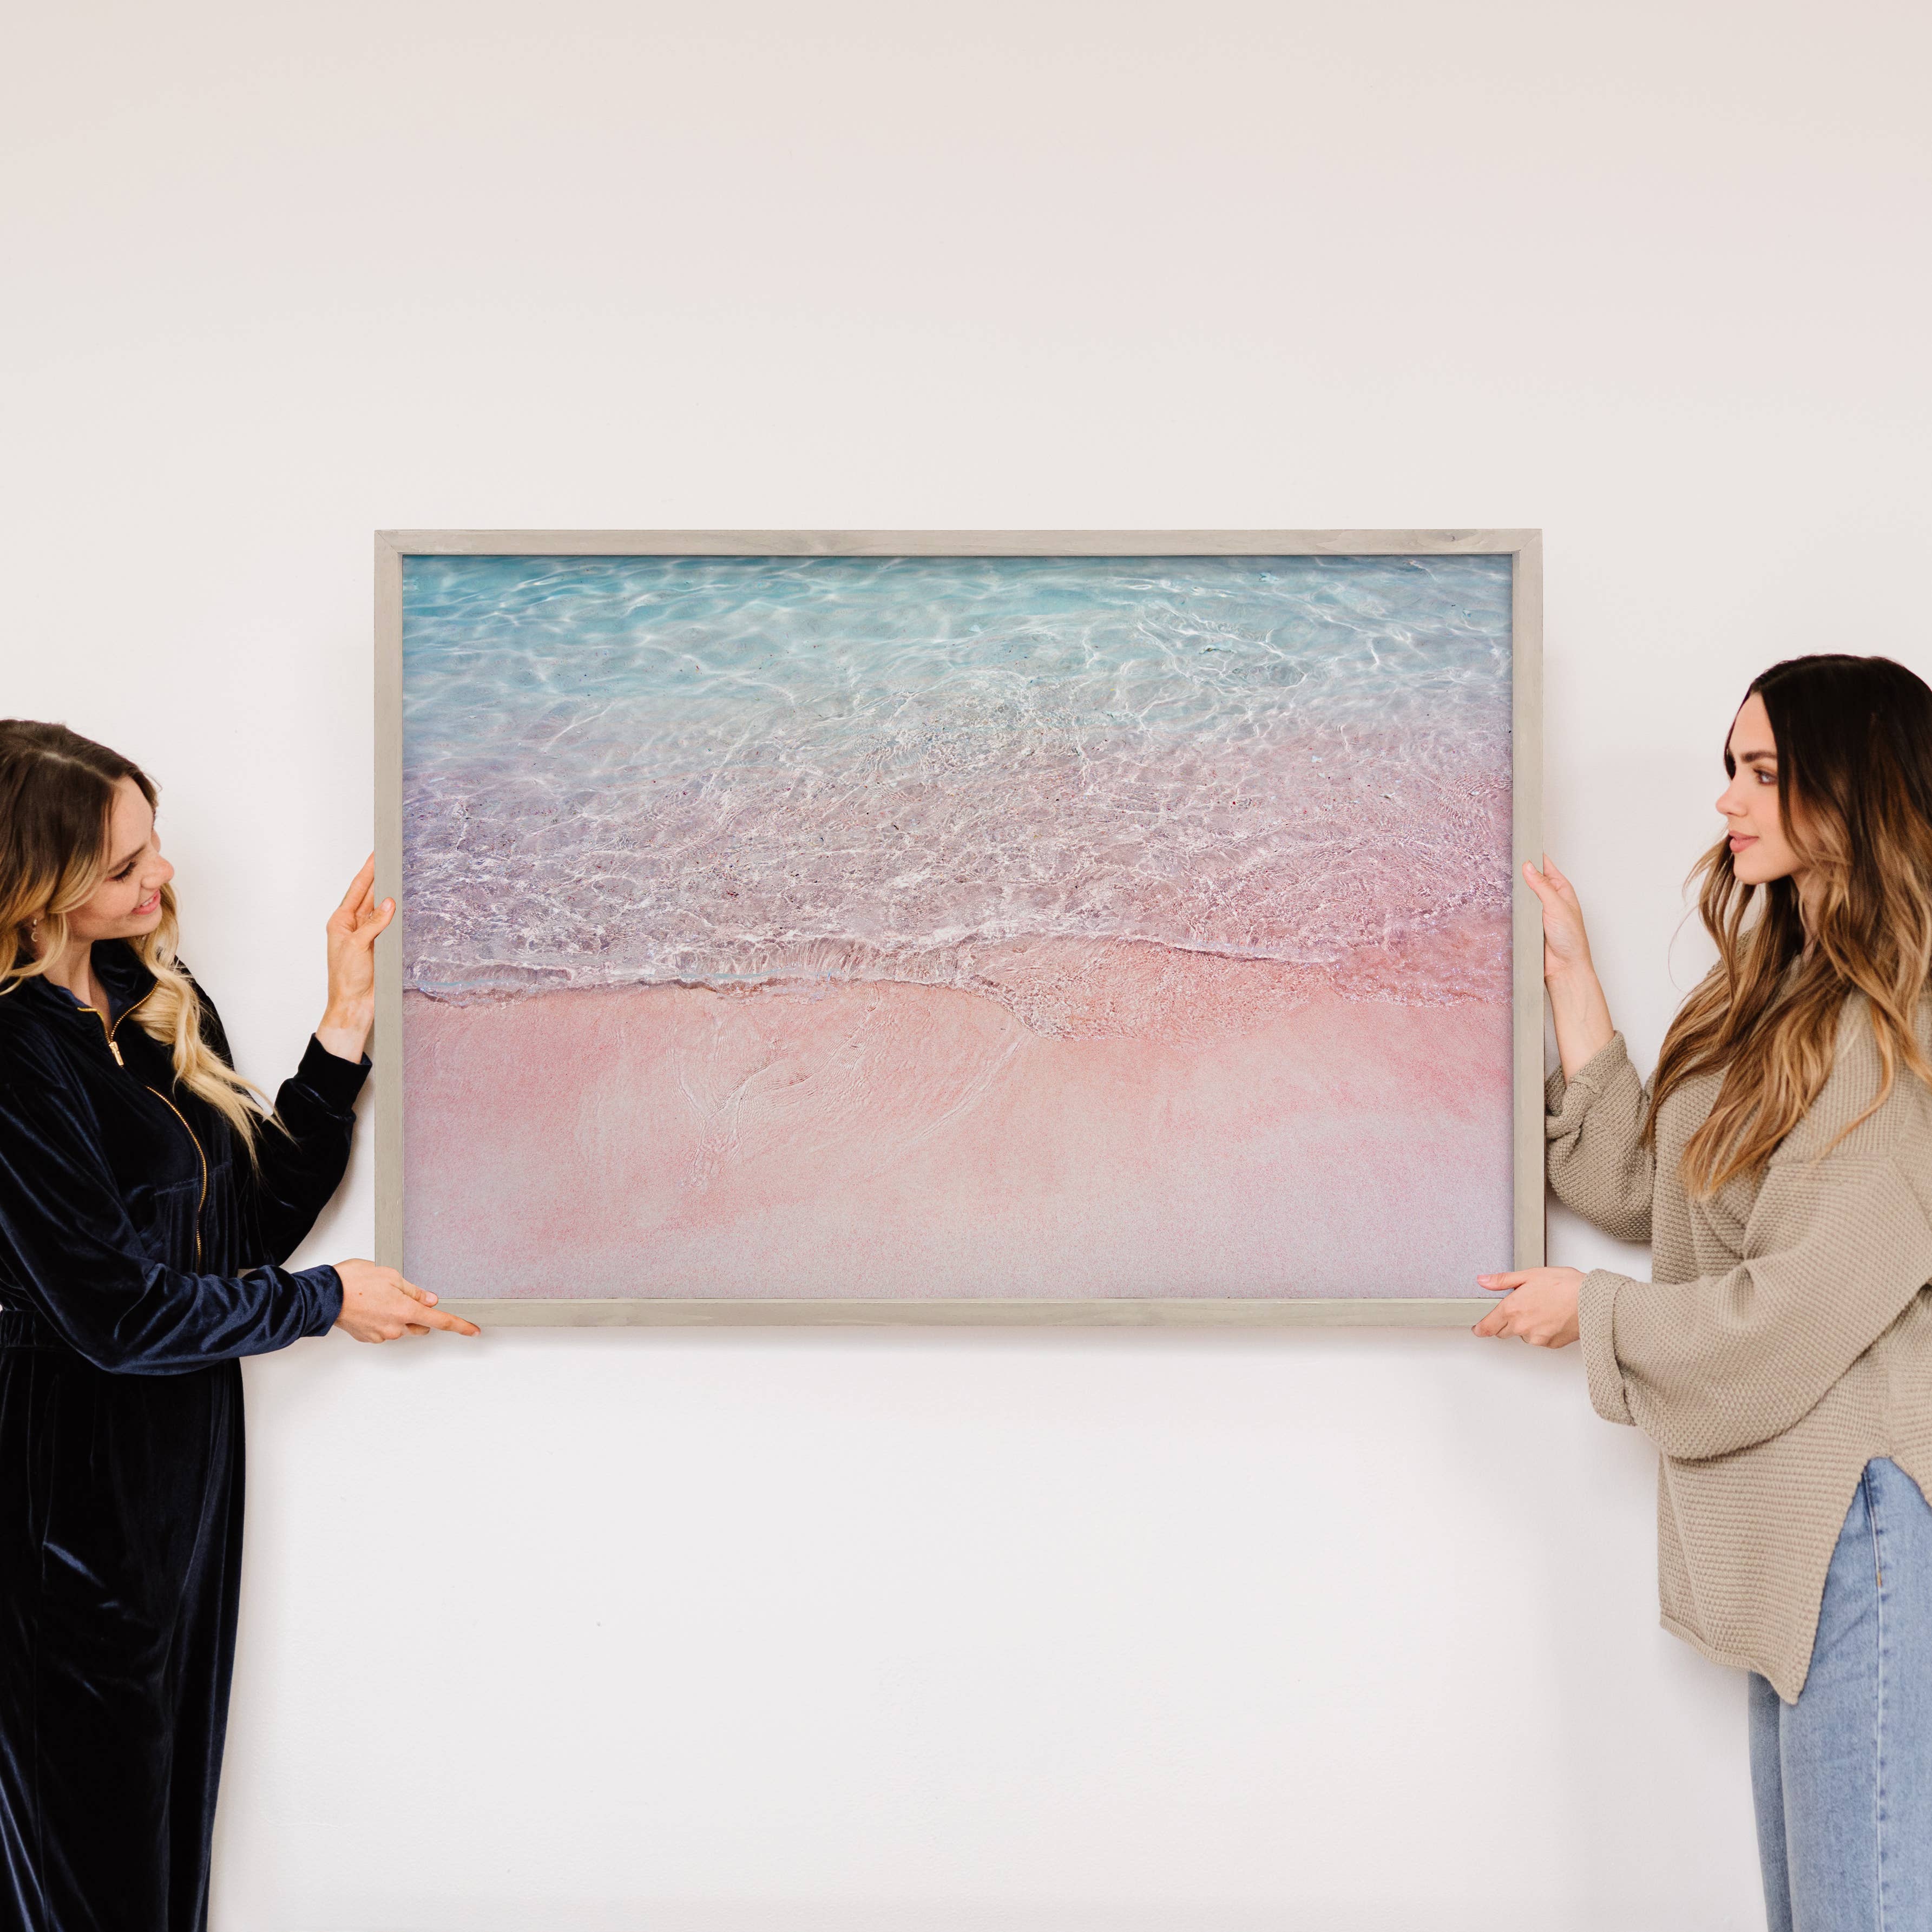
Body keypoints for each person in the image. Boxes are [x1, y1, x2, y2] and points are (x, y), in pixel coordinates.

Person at [1474, 654, 1932, 1929]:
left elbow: (1796, 1310)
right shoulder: (1774, 994)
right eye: (1731, 770)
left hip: (1866, 1533)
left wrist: (1595, 1316)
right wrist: (1571, 977)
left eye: (1766, 773)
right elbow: (1651, 1187)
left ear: (1856, 791)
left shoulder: (1905, 1030)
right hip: (1799, 1537)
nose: (1731, 801)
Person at [0, 720, 479, 1932]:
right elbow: (113, 1315)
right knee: (85, 1871)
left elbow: (245, 1225)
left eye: (154, 845)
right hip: (53, 1499)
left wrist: (345, 1020)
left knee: (158, 1847)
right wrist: (327, 1304)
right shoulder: (11, 1055)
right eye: (124, 867)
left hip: (177, 1481)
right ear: (32, 883)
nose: (160, 879)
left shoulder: (148, 994)